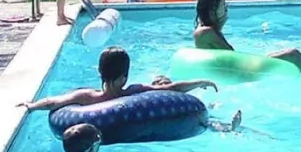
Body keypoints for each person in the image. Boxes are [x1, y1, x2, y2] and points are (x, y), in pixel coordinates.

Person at [193, 0, 301, 83]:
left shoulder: (204, 30)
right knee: (292, 54)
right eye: (224, 8)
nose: (226, 12)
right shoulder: (207, 32)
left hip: (238, 70)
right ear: (213, 11)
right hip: (240, 74)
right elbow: (232, 58)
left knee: (283, 54)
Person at [25, 46, 224, 112]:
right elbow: (173, 89)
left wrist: (32, 106)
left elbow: (53, 102)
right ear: (124, 77)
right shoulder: (134, 92)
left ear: (100, 72)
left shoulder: (87, 97)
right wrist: (200, 81)